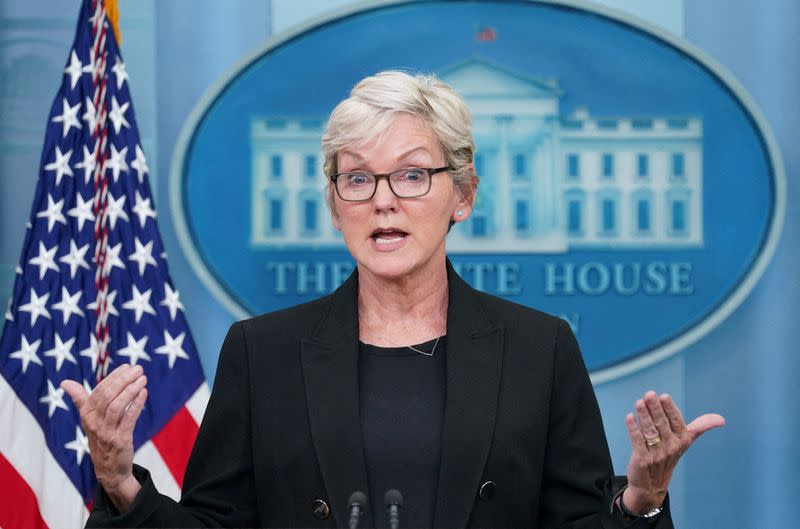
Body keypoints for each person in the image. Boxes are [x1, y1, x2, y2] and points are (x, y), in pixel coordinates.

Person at [62, 70, 725, 528]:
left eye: (412, 173)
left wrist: (642, 494)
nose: (383, 199)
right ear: (334, 203)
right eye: (357, 177)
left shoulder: (539, 348)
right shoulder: (261, 353)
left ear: (462, 195)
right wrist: (120, 482)